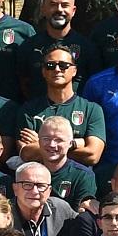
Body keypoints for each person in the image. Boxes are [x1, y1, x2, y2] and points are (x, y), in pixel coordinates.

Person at [16, 42, 107, 170]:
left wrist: (41, 144)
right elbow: (26, 153)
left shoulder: (92, 109)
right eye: (50, 65)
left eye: (63, 65)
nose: (57, 69)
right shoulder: (29, 110)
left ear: (74, 70)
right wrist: (77, 143)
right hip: (37, 183)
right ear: (43, 71)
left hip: (77, 181)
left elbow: (93, 155)